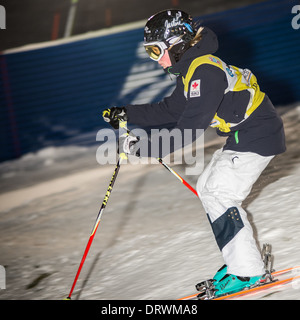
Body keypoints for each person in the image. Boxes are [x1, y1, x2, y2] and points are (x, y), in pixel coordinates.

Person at [102, 9, 286, 297]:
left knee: (218, 194)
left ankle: (247, 272)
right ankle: (241, 261)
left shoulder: (205, 72)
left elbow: (188, 131)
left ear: (175, 44)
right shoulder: (193, 69)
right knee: (208, 188)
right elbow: (171, 110)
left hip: (257, 136)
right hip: (245, 136)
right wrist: (128, 113)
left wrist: (142, 148)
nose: (156, 59)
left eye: (155, 51)